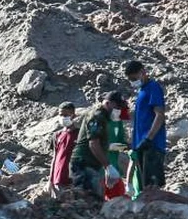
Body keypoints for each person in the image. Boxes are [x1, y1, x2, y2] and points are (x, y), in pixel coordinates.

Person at [69, 92, 124, 199]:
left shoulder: (104, 118)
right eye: (117, 107)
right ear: (109, 103)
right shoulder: (97, 116)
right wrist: (108, 166)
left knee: (95, 197)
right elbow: (93, 144)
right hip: (83, 164)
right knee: (87, 198)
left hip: (92, 165)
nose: (119, 110)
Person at [125, 61, 167, 191]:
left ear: (143, 72)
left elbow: (159, 115)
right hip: (142, 146)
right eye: (130, 80)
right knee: (144, 187)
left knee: (152, 188)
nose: (133, 82)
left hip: (151, 145)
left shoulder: (153, 87)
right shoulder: (142, 91)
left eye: (134, 78)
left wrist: (148, 138)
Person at [48, 102, 78, 199]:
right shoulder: (56, 135)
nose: (63, 117)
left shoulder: (80, 134)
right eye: (61, 115)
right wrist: (50, 180)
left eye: (66, 115)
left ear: (73, 115)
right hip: (58, 178)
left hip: (73, 179)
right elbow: (55, 158)